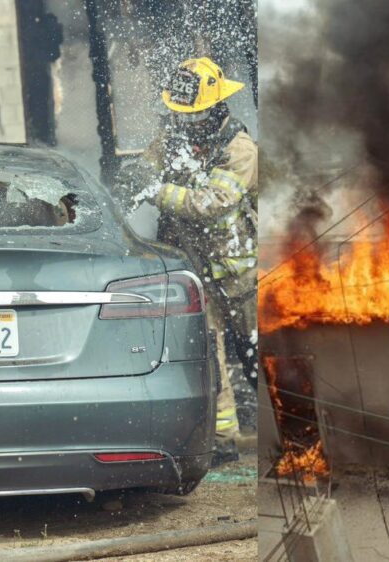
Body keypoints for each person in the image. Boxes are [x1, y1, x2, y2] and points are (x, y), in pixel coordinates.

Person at [115, 57, 258, 465]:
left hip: (242, 275)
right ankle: (225, 439)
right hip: (197, 271)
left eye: (193, 115)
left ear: (214, 108)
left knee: (257, 358)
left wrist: (157, 191)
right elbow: (150, 163)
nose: (186, 123)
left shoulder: (240, 150)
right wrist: (133, 176)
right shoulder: (174, 133)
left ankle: (291, 436)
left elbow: (209, 202)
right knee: (211, 356)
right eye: (180, 115)